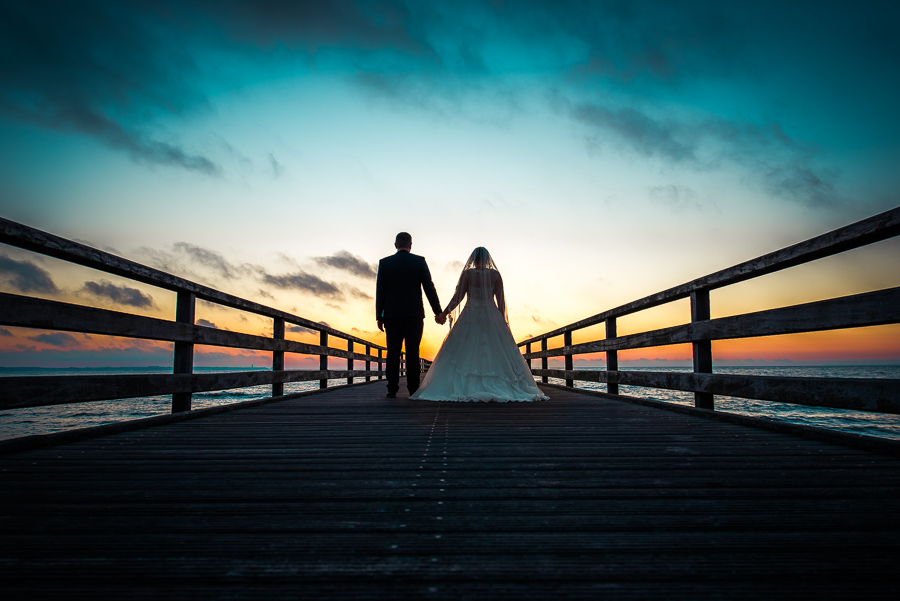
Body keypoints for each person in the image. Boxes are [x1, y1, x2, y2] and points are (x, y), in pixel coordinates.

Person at [411, 247, 548, 403]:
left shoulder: (468, 274)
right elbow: (501, 301)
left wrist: (443, 313)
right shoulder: (495, 275)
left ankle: (466, 385)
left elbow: (458, 298)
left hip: (471, 314)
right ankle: (500, 383)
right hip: (492, 315)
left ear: (474, 260)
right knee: (492, 348)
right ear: (487, 259)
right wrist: (502, 321)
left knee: (466, 347)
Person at [375, 232, 442, 398]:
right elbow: (429, 287)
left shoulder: (385, 263)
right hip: (414, 314)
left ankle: (392, 388)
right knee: (413, 352)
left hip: (392, 315)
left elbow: (380, 291)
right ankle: (413, 389)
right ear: (410, 245)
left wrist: (379, 315)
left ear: (395, 244)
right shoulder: (419, 262)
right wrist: (438, 311)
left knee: (393, 352)